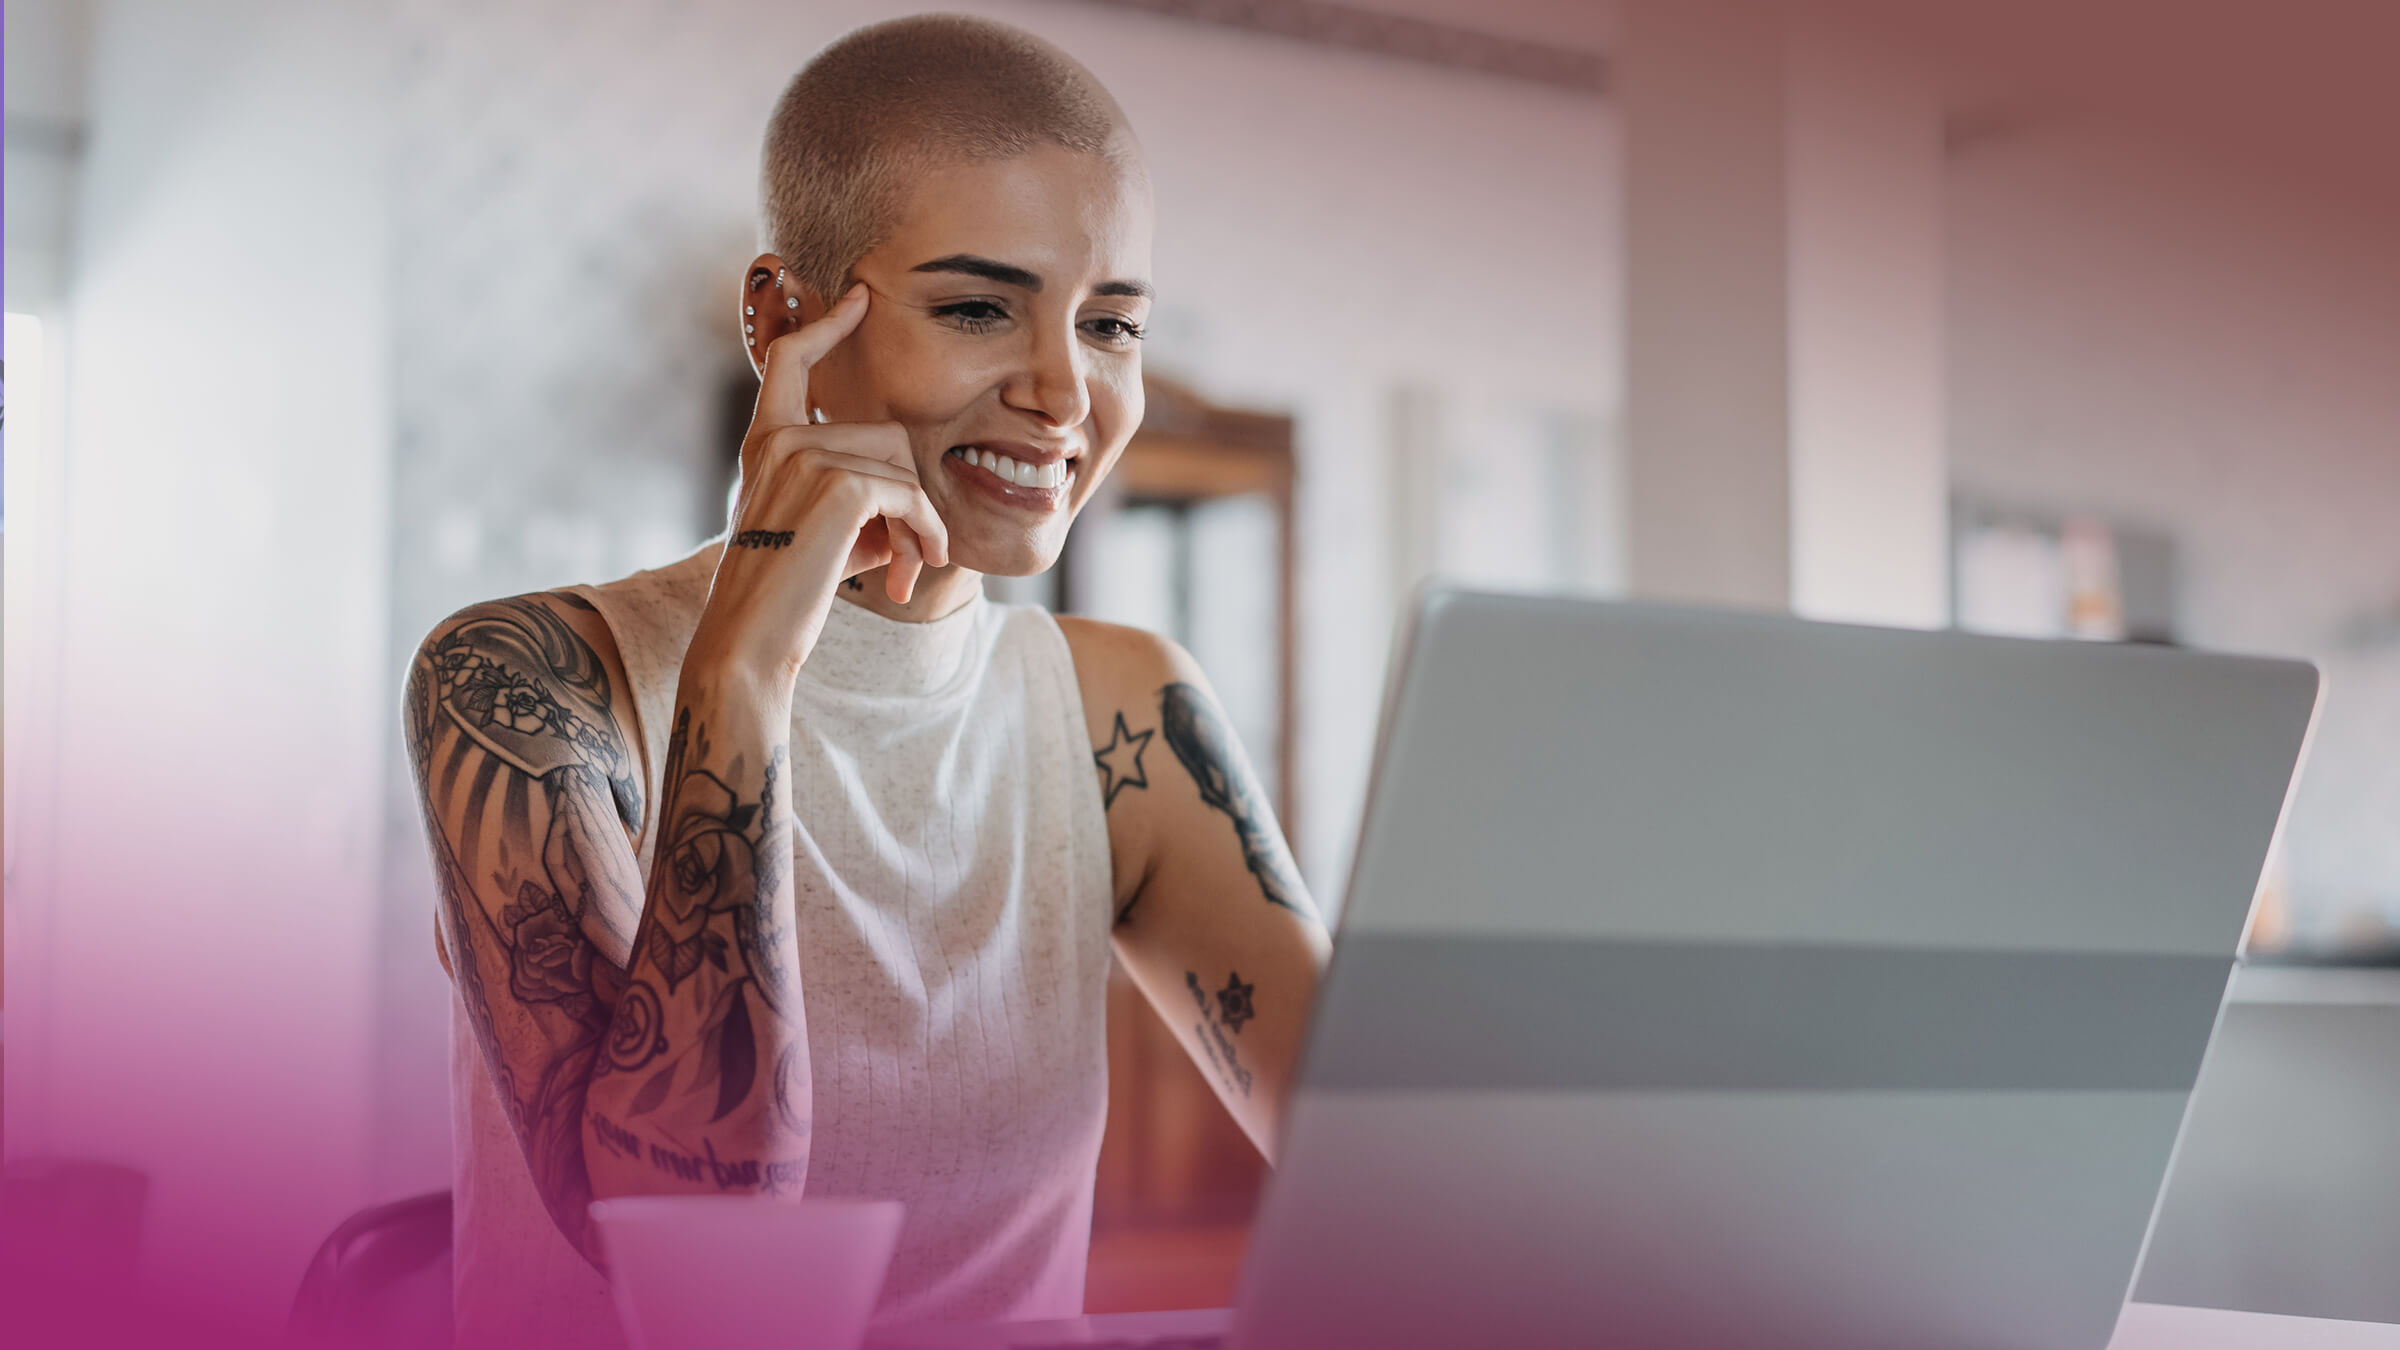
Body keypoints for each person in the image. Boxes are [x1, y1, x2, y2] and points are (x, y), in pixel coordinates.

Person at [405, 13, 1332, 1347]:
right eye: (976, 308)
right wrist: (744, 670)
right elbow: (702, 1277)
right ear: (785, 317)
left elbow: (1396, 1180)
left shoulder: (1126, 712)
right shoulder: (523, 688)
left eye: (1111, 323)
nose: (1068, 392)